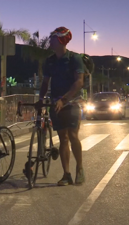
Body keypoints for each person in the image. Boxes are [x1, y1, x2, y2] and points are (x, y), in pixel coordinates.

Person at [37, 27, 85, 186]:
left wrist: (64, 100)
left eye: (52, 38)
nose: (49, 41)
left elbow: (79, 82)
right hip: (55, 104)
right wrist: (41, 99)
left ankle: (79, 167)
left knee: (72, 136)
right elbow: (45, 82)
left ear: (61, 40)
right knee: (63, 139)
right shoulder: (49, 61)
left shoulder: (74, 58)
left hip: (71, 103)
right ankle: (66, 174)